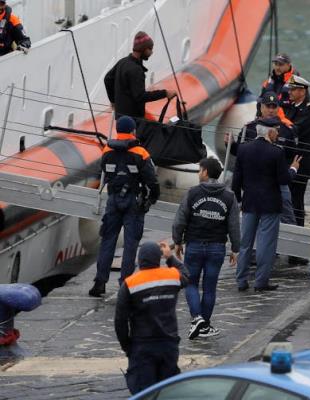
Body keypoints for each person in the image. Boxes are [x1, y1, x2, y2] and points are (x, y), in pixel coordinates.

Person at [89, 116, 160, 297]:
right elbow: (152, 180)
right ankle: (125, 285)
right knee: (131, 244)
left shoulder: (106, 150)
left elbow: (104, 170)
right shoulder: (141, 153)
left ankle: (99, 282)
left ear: (118, 130)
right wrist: (152, 198)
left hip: (113, 200)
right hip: (134, 202)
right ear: (132, 131)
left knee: (107, 240)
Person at [172, 157, 240, 339]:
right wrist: (235, 248)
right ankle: (205, 325)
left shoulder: (193, 193)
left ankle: (197, 318)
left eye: (200, 169)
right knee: (210, 288)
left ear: (205, 172)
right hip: (217, 247)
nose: (198, 173)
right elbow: (234, 225)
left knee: (191, 283)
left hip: (194, 244)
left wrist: (177, 241)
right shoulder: (229, 196)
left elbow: (180, 220)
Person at [232, 118, 300, 292]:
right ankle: (261, 281)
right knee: (266, 244)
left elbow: (236, 178)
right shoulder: (276, 152)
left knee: (245, 243)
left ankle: (241, 280)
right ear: (270, 132)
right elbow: (284, 180)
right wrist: (293, 169)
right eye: (276, 130)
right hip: (270, 204)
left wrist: (239, 198)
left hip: (249, 201)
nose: (278, 133)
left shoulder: (243, 149)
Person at [114, 241, 186, 395]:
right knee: (168, 392)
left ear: (140, 260)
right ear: (157, 259)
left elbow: (120, 320)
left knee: (145, 393)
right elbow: (186, 275)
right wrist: (170, 257)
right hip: (169, 344)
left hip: (142, 345)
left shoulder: (130, 283)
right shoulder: (172, 276)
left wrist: (127, 347)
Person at [225, 91, 297, 224]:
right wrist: (231, 144)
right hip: (253, 179)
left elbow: (291, 155)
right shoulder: (249, 128)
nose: (270, 110)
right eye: (267, 106)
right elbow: (240, 153)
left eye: (274, 106)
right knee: (244, 209)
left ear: (278, 108)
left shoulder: (287, 131)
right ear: (261, 107)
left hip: (277, 179)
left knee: (287, 209)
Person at [104, 31, 176, 120]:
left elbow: (107, 79)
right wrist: (165, 93)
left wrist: (113, 101)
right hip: (133, 120)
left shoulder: (122, 62)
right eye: (150, 49)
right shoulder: (136, 70)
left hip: (120, 118)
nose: (152, 52)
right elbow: (140, 96)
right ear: (144, 49)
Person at [282, 75, 310, 229]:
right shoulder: (289, 108)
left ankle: (297, 233)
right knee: (283, 199)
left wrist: (279, 126)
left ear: (302, 91)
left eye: (293, 89)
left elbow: (294, 129)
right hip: (286, 160)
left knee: (296, 200)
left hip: (300, 162)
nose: (289, 92)